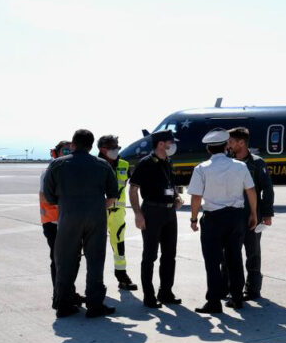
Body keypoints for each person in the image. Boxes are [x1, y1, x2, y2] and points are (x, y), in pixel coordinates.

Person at [42, 129, 119, 318]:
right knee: (95, 261)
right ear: (92, 146)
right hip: (96, 217)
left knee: (65, 261)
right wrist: (97, 208)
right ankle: (95, 304)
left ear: (73, 144)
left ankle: (64, 304)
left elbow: (50, 197)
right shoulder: (102, 165)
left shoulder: (57, 165)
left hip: (68, 218)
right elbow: (112, 197)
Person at [187, 128, 257, 314]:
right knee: (234, 259)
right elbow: (251, 190)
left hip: (213, 219)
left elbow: (196, 197)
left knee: (212, 262)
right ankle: (237, 298)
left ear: (209, 149)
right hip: (236, 218)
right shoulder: (240, 166)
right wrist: (254, 214)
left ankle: (214, 302)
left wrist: (193, 218)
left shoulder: (201, 169)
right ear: (227, 146)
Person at [129, 130, 182, 309]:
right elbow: (133, 189)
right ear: (161, 144)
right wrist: (137, 213)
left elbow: (170, 185)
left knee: (169, 255)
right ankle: (149, 296)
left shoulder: (168, 161)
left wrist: (176, 197)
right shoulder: (145, 163)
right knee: (150, 255)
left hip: (169, 213)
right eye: (170, 142)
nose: (172, 145)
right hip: (151, 212)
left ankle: (165, 292)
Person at [225, 127, 274, 300]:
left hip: (252, 214)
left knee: (253, 252)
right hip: (231, 215)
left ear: (241, 143)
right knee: (230, 253)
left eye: (231, 141)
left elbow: (267, 189)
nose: (228, 145)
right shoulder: (226, 162)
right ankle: (229, 287)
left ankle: (253, 289)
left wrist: (267, 214)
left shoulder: (257, 163)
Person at [40, 140, 80, 302]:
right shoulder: (50, 171)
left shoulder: (69, 170)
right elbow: (45, 196)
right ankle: (58, 295)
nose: (67, 153)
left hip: (69, 221)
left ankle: (68, 292)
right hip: (53, 222)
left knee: (72, 260)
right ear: (56, 153)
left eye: (70, 150)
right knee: (58, 260)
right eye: (64, 151)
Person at [97, 134, 137, 290]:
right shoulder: (95, 164)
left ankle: (122, 276)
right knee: (95, 246)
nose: (116, 149)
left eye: (117, 146)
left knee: (119, 244)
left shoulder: (124, 164)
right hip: (98, 211)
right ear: (102, 149)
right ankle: (96, 280)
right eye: (112, 147)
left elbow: (126, 183)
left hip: (117, 211)